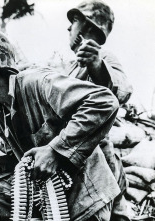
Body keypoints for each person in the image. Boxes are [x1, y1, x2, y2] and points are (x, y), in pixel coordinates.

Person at [0, 26, 121, 221]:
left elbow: (104, 101)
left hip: (84, 200)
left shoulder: (37, 82)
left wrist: (55, 151)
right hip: (46, 201)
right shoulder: (1, 109)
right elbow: (20, 163)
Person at [66, 1, 133, 220]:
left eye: (74, 21)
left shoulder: (104, 58)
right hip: (75, 159)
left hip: (97, 160)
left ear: (87, 28)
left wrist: (97, 67)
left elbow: (122, 90)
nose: (69, 28)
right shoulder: (72, 67)